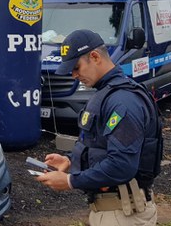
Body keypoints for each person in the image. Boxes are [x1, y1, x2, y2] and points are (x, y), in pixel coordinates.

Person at [35, 29, 162, 226]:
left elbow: (122, 165)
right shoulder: (108, 93)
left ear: (94, 56)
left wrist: (70, 181)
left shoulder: (123, 101)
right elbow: (101, 146)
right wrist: (70, 161)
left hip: (124, 214)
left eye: (76, 67)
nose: (74, 75)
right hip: (115, 211)